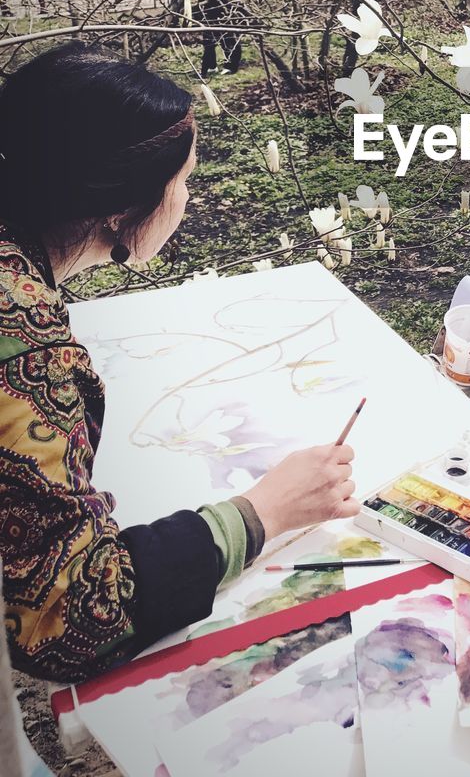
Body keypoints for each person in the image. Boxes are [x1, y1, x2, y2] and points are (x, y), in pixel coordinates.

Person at [0, 43, 358, 684]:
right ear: (120, 206)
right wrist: (263, 511)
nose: (187, 197)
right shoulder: (30, 355)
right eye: (184, 180)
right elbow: (64, 617)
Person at [195, 0, 244, 74]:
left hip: (225, 14)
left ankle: (230, 66)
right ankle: (211, 66)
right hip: (211, 13)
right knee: (209, 42)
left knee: (228, 40)